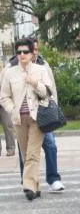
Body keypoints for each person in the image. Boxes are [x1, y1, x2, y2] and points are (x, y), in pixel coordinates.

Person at [0, 38, 53, 200]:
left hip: (37, 118)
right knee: (25, 153)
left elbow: (48, 93)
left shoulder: (40, 70)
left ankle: (28, 186)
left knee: (32, 153)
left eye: (25, 52)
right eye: (19, 52)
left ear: (31, 53)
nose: (22, 54)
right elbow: (4, 97)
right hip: (18, 119)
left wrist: (35, 83)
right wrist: (12, 110)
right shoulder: (9, 73)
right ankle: (35, 186)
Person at [10, 39, 65, 192]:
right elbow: (6, 92)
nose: (34, 52)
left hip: (42, 114)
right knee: (26, 151)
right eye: (31, 49)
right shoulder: (12, 67)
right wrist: (12, 110)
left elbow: (51, 89)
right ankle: (28, 182)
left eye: (35, 49)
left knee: (50, 145)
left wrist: (53, 108)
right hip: (21, 117)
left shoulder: (43, 65)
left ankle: (53, 179)